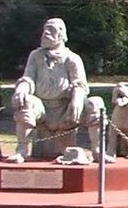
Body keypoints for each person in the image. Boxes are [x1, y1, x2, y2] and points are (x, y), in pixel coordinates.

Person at [11, 17, 103, 160]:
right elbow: (28, 78)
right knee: (26, 102)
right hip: (41, 108)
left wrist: (77, 99)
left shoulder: (72, 58)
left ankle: (97, 151)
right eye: (45, 29)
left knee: (95, 104)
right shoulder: (35, 56)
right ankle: (21, 150)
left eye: (51, 30)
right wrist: (21, 89)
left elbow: (80, 84)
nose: (46, 33)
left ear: (61, 35)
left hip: (66, 109)